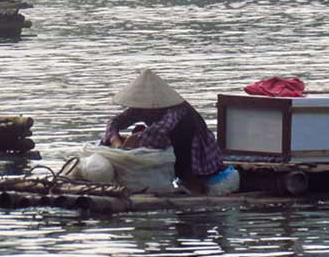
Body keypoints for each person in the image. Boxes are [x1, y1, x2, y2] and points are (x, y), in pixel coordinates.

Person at [101, 68, 239, 195]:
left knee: (189, 172)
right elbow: (114, 122)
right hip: (176, 150)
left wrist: (133, 142)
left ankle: (195, 190)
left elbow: (158, 132)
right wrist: (115, 140)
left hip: (197, 152)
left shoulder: (177, 110)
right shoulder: (142, 108)